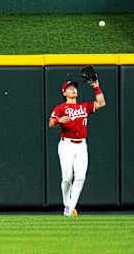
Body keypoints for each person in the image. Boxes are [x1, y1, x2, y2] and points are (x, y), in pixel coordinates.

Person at [48, 78, 105, 218]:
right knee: (67, 178)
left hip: (81, 146)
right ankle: (67, 204)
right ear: (64, 92)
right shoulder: (60, 108)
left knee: (80, 177)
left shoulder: (84, 106)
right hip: (66, 145)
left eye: (75, 87)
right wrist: (58, 120)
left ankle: (69, 208)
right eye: (70, 88)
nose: (73, 89)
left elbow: (101, 103)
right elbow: (50, 123)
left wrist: (96, 87)